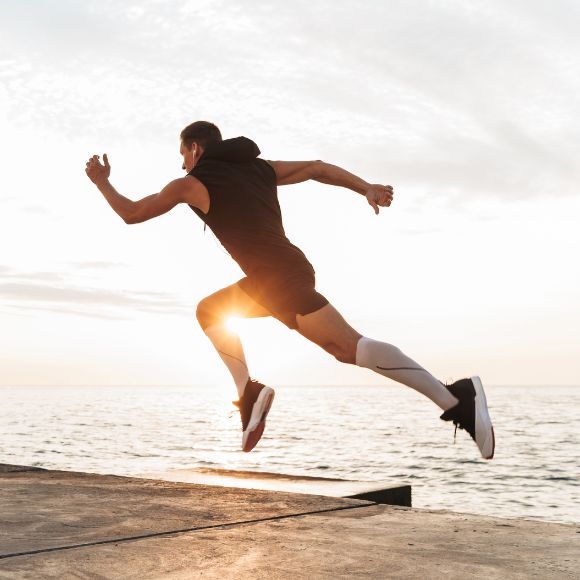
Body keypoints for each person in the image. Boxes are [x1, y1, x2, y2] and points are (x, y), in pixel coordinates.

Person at [85, 120, 495, 459]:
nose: (182, 164)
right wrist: (364, 187)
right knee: (211, 311)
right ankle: (249, 393)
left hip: (277, 278)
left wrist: (102, 183)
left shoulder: (192, 183)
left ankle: (457, 400)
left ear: (194, 148)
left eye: (182, 156)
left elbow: (134, 213)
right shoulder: (260, 168)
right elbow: (317, 168)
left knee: (350, 347)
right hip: (278, 275)